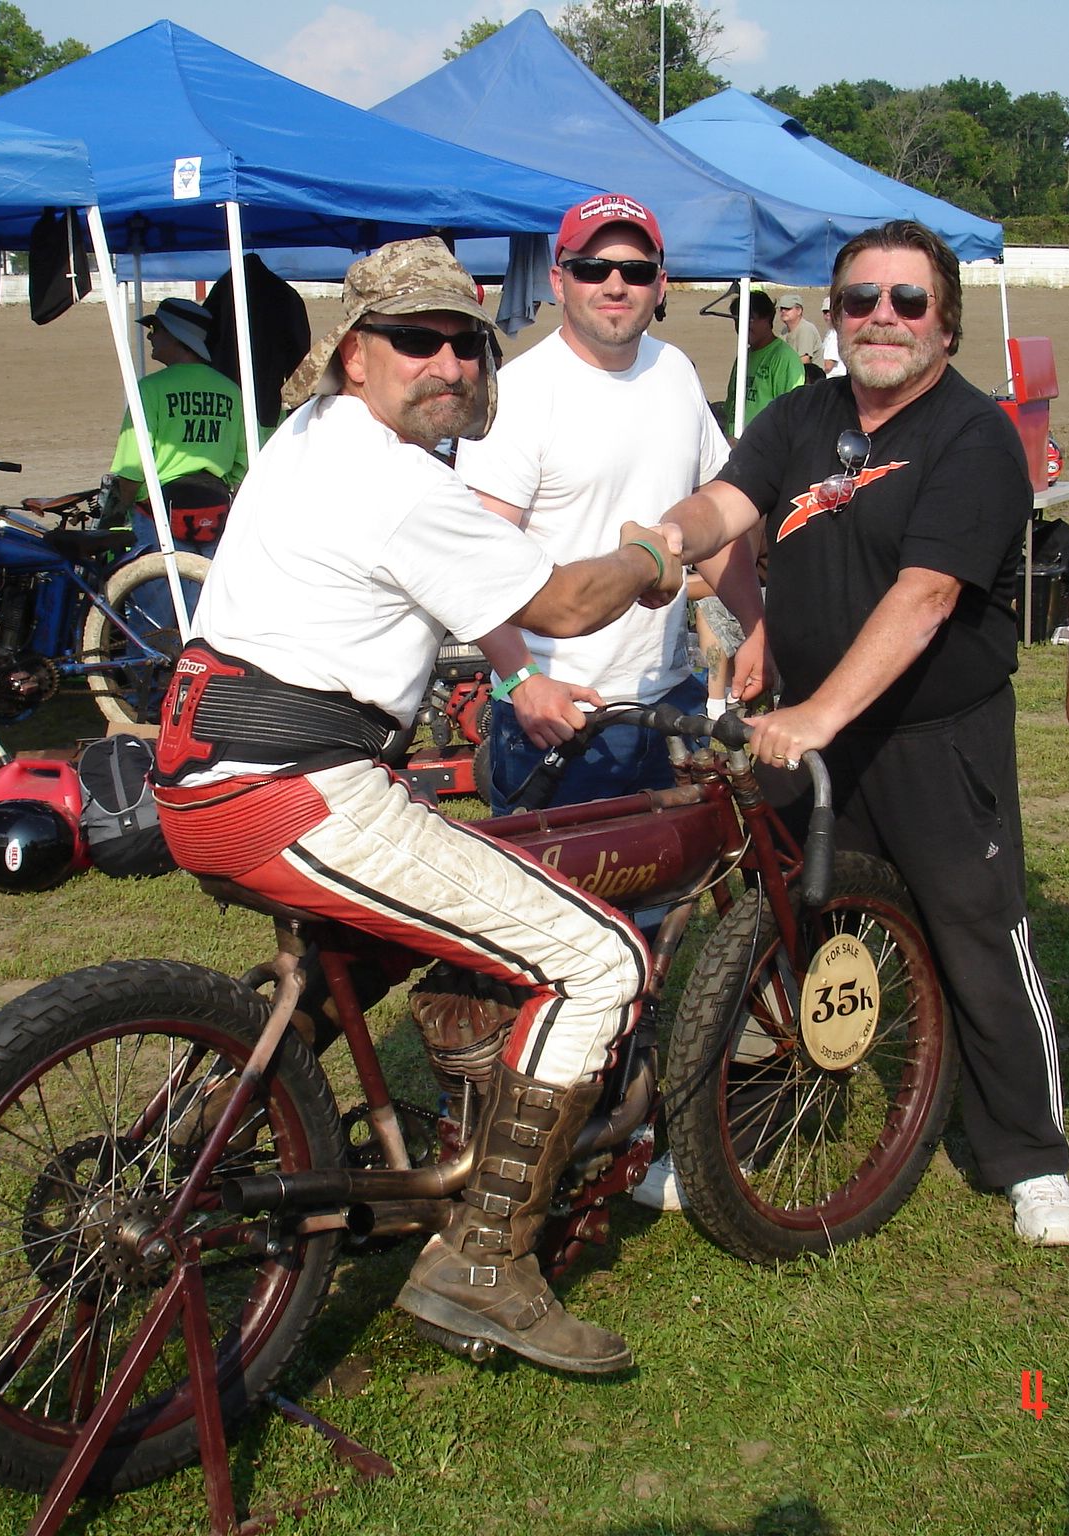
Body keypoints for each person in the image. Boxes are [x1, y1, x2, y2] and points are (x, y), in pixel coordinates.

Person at [151, 237, 685, 1375]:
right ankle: (483, 1260)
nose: (444, 361)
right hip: (294, 789)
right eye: (413, 340)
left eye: (463, 341)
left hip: (220, 772)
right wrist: (656, 551)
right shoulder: (388, 477)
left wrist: (506, 672)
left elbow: (468, 593)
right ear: (354, 357)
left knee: (385, 949)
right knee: (599, 962)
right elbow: (564, 599)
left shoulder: (319, 440)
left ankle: (200, 1143)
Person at [654, 219, 1069, 1249]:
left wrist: (812, 714)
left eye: (906, 300)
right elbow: (727, 502)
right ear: (832, 315)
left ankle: (1027, 1156)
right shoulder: (799, 413)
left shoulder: (972, 435)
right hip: (811, 733)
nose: (881, 319)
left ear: (945, 321)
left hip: (931, 737)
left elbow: (927, 594)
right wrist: (661, 541)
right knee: (783, 936)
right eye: (858, 300)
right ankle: (749, 1127)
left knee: (975, 935)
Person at [457, 192, 754, 816]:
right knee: (557, 905)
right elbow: (472, 567)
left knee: (674, 887)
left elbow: (718, 523)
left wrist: (757, 626)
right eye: (593, 269)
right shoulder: (521, 396)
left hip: (670, 696)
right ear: (558, 280)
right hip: (562, 710)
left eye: (636, 271)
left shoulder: (676, 371)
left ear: (661, 283)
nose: (615, 285)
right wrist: (521, 682)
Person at [109, 295, 248, 547]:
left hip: (158, 517)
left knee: (158, 585)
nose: (150, 337)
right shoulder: (230, 391)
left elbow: (132, 467)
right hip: (215, 515)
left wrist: (119, 514)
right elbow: (242, 463)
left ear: (175, 334)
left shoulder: (149, 389)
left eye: (155, 329)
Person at [720, 289, 805, 430]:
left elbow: (792, 415)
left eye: (749, 319)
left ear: (766, 318)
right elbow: (730, 404)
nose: (742, 327)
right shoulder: (743, 357)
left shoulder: (784, 358)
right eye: (737, 320)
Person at [776, 291, 822, 370]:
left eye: (787, 308)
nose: (783, 311)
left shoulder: (806, 329)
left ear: (799, 310)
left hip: (810, 379)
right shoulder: (785, 331)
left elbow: (804, 361)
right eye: (781, 308)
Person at [818, 296, 846, 380]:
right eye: (825, 311)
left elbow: (828, 366)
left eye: (830, 311)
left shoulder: (834, 335)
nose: (827, 314)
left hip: (834, 380)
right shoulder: (831, 332)